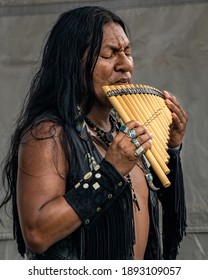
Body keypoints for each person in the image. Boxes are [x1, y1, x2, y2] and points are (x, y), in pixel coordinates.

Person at [0, 6, 188, 260]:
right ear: (73, 63)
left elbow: (154, 200)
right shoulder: (48, 134)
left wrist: (170, 149)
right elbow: (37, 234)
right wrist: (110, 172)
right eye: (110, 54)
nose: (125, 65)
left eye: (127, 52)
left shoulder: (122, 131)